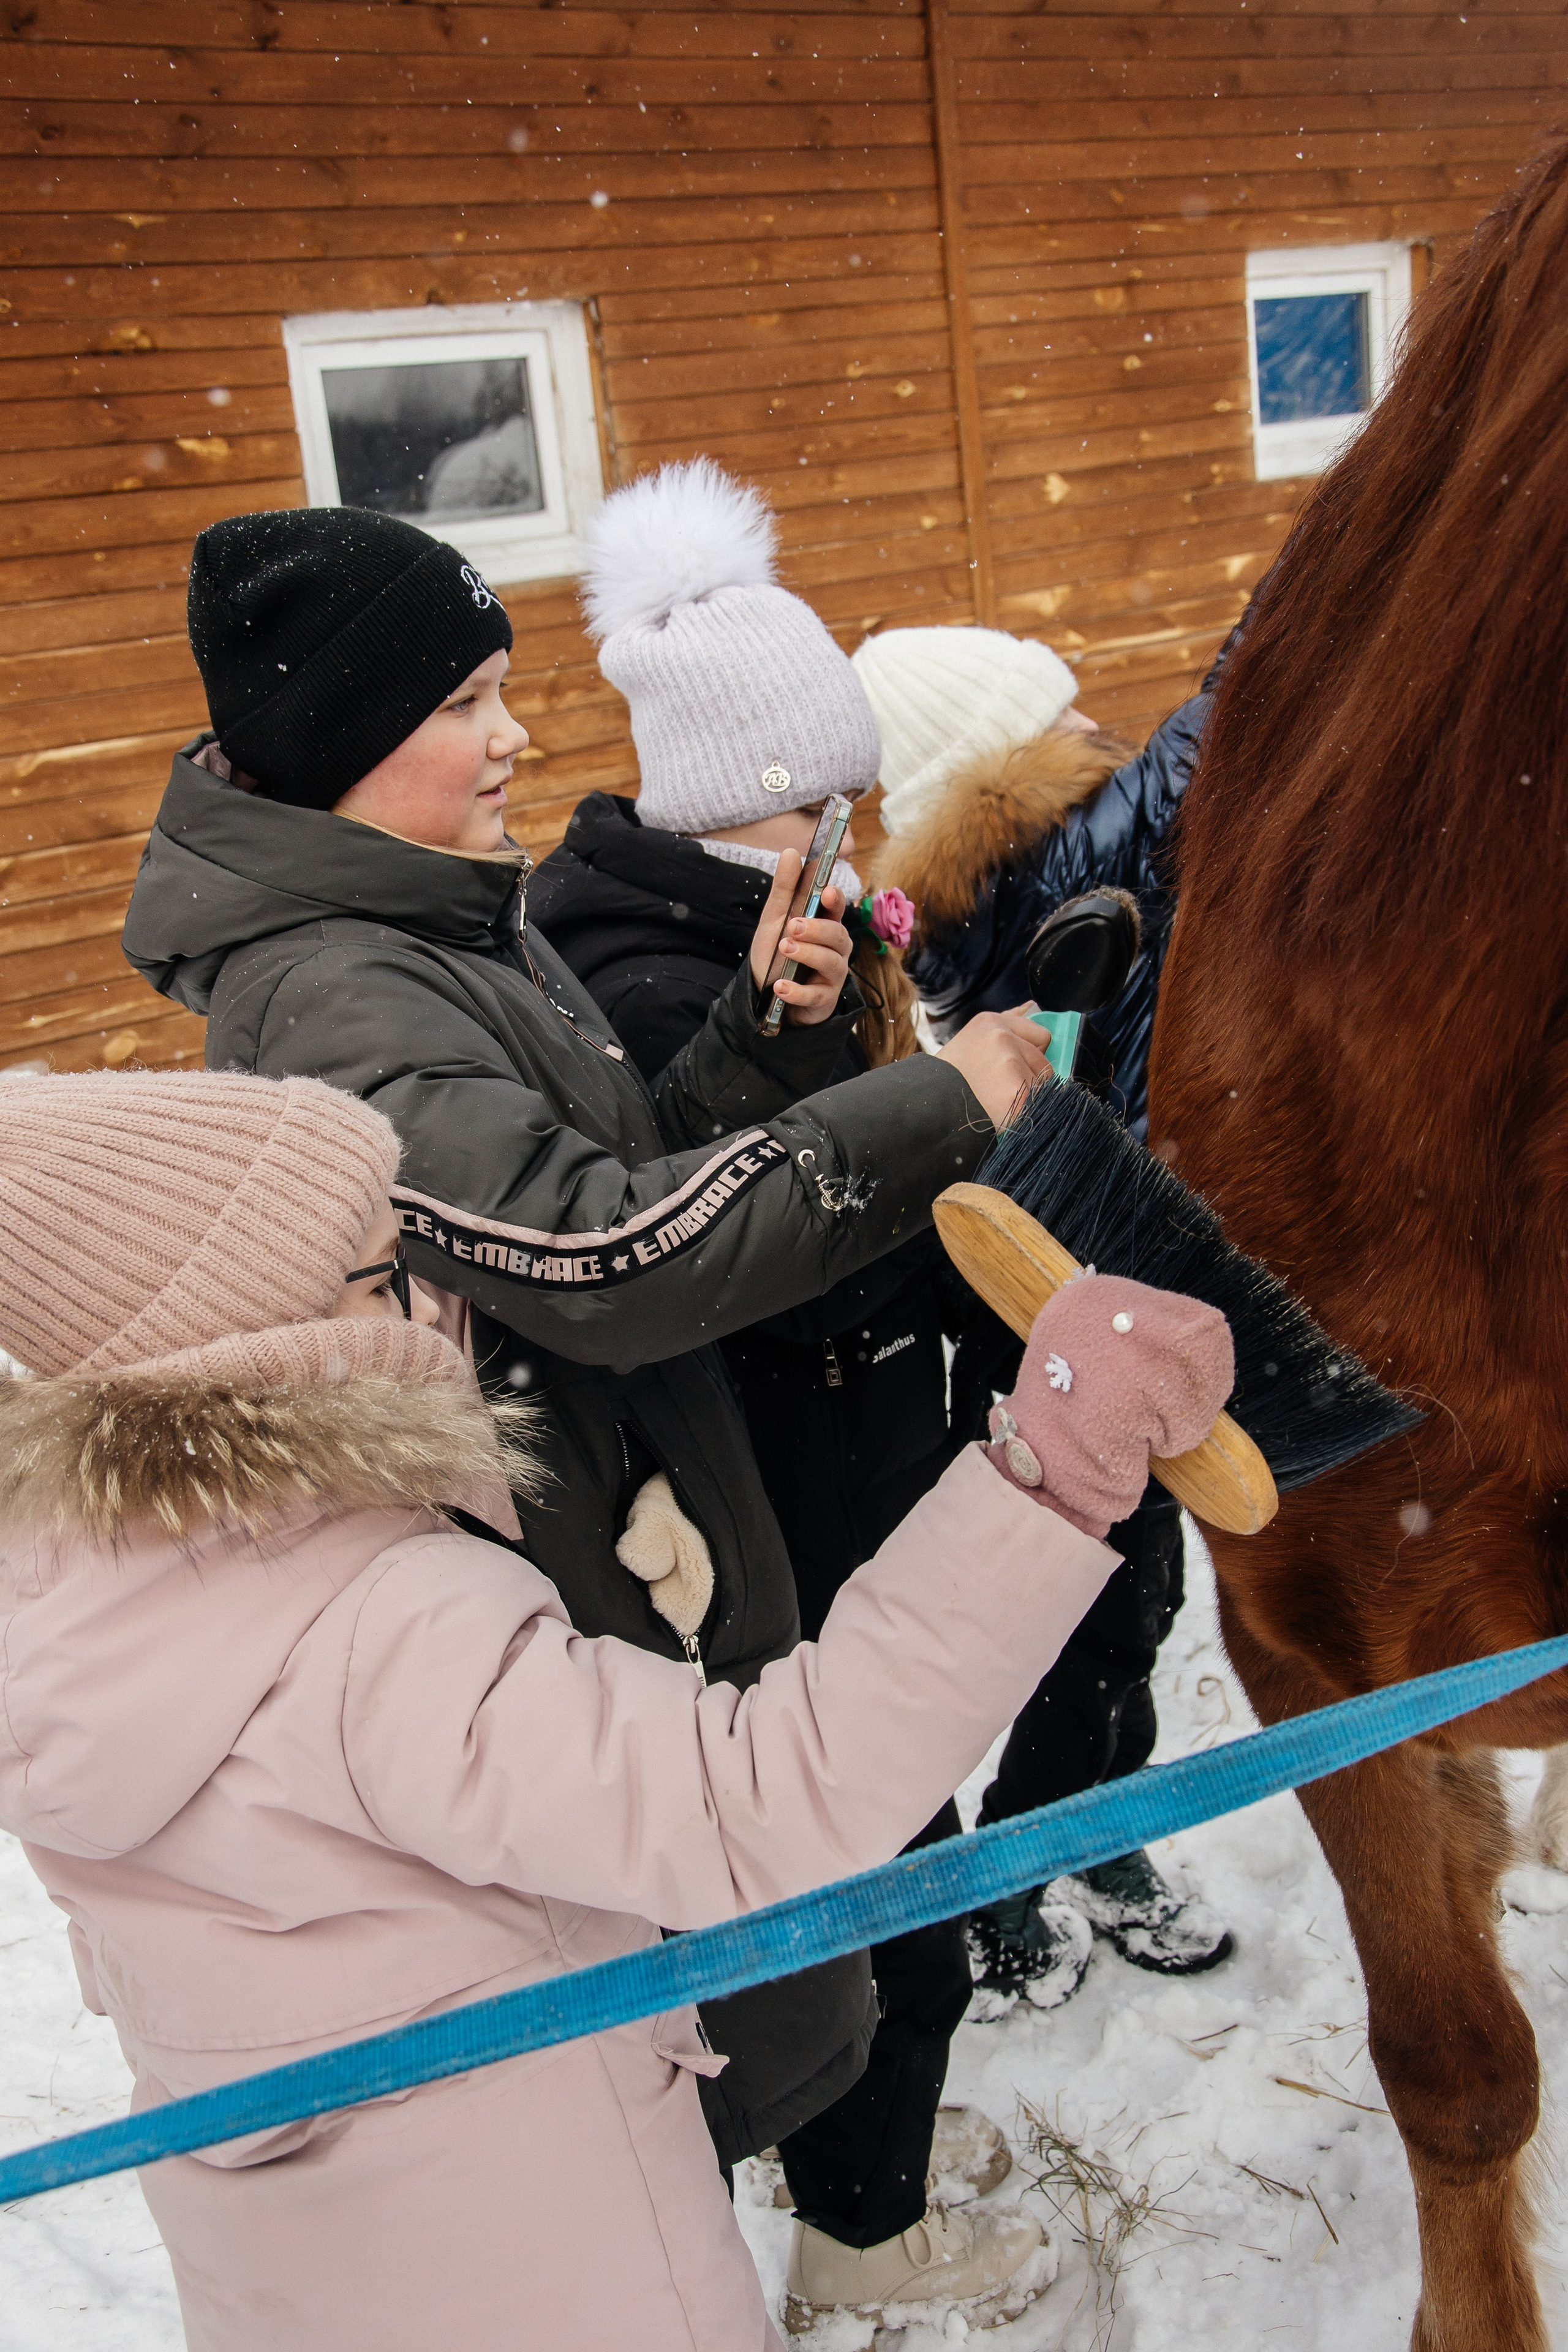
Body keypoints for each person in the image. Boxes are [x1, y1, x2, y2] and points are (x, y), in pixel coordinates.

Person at [0, 1066, 1235, 2352]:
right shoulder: (377, 1629)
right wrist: (1051, 1476)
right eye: (386, 1272)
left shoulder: (77, 1608)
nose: (439, 1298)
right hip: (571, 2287)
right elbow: (771, 1794)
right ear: (258, 1341)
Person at [119, 505, 1049, 2173]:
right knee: (651, 2046)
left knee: (740, 1971)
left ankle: (805, 2180)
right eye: (467, 702)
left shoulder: (448, 922)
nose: (518, 734)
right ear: (347, 737)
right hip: (577, 1566)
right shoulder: (341, 994)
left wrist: (764, 1034)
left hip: (643, 1518)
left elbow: (615, 1173)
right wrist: (936, 1106)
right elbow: (600, 1260)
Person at [532, 461, 998, 2324]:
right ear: (750, 807)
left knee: (887, 1882)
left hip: (823, 1495)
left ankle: (857, 2193)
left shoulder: (726, 944)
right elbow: (756, 1253)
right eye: (832, 803)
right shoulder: (657, 993)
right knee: (881, 1906)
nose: (861, 838)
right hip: (791, 1526)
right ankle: (865, 2246)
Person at [851, 623, 1232, 2010]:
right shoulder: (1071, 855)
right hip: (1064, 1316)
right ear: (1008, 756)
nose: (1094, 742)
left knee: (1123, 1602)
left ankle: (1094, 1830)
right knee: (1103, 1607)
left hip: (1081, 1296)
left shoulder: (993, 890)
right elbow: (1204, 738)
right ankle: (1021, 1864)